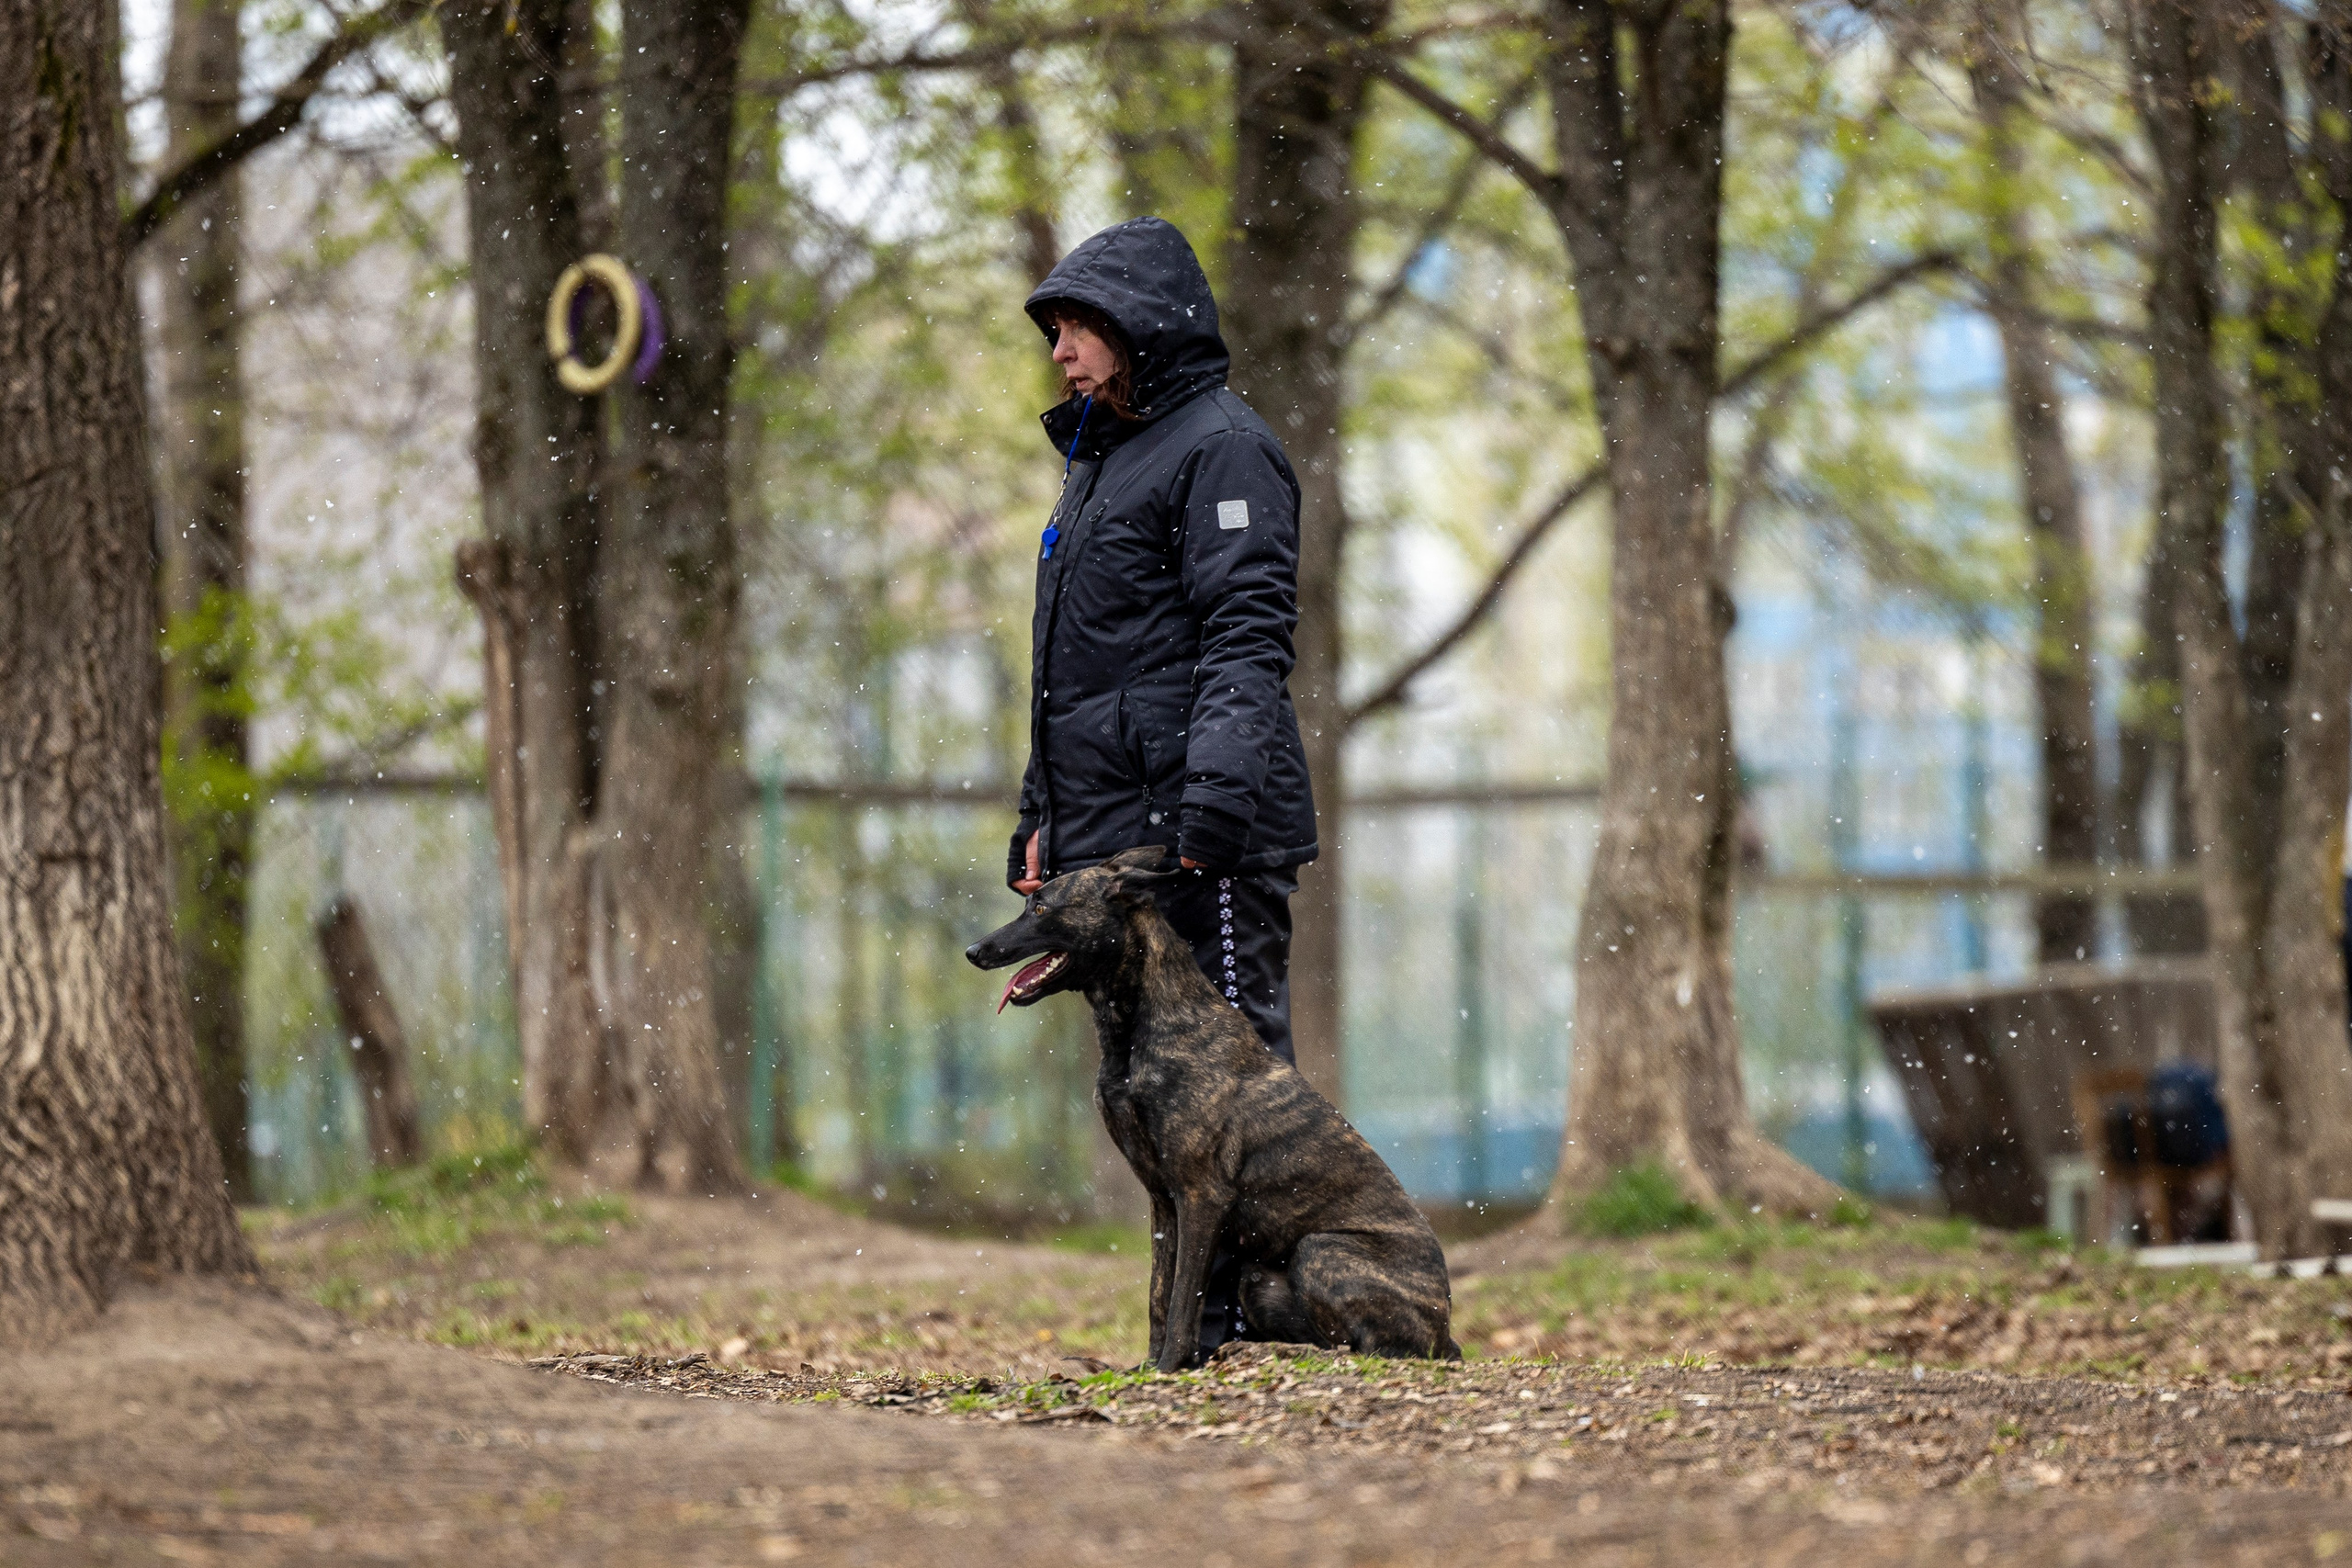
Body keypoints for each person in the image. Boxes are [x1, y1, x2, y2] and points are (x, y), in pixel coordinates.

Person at [1007, 216, 1318, 1353]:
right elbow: (1069, 675)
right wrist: (1042, 820)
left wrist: (1214, 810)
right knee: (1155, 1095)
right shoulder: (1097, 463)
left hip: (1202, 836)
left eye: (1079, 325)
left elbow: (1246, 633)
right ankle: (1195, 1332)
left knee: (1237, 1085)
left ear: (1142, 327)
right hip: (1117, 840)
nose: (1060, 351)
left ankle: (1262, 1325)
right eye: (1055, 330)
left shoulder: (1222, 448)